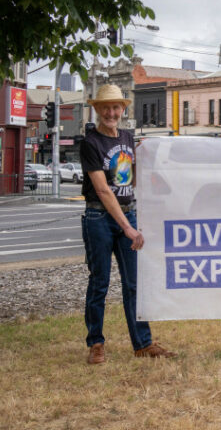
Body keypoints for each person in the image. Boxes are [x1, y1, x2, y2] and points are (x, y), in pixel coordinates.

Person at [81, 84, 174, 364]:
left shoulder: (126, 137)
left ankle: (142, 343)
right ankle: (96, 343)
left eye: (116, 107)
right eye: (105, 108)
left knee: (134, 284)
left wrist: (143, 154)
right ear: (97, 110)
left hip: (128, 215)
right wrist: (128, 227)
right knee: (100, 283)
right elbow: (103, 190)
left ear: (123, 110)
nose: (111, 113)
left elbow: (126, 181)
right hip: (99, 218)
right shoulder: (91, 143)